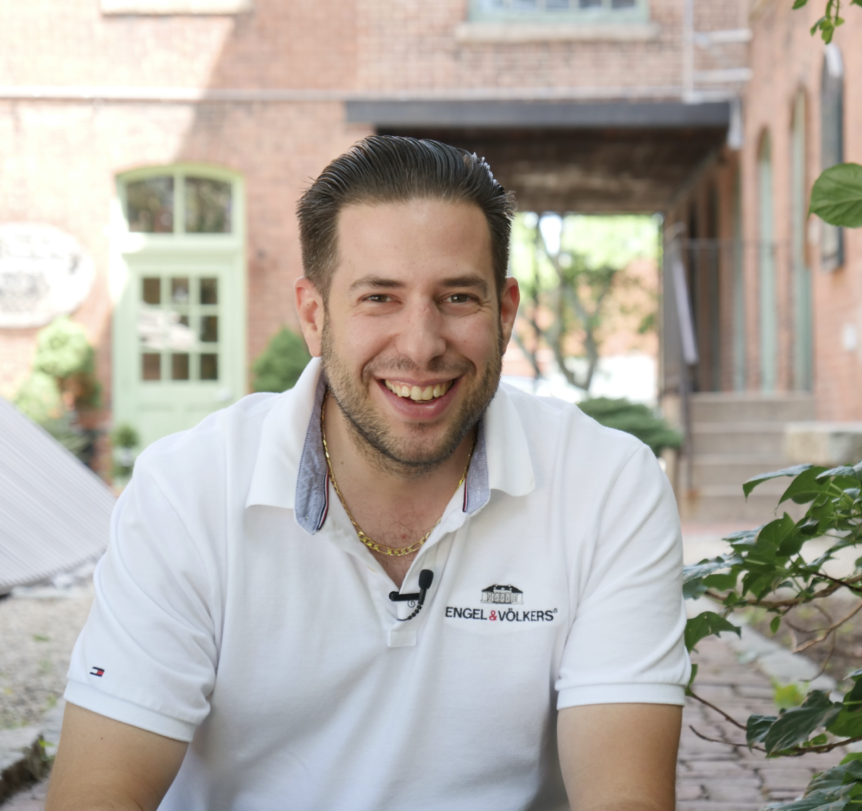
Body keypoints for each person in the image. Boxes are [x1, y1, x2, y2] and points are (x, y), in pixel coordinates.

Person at [47, 136, 689, 811]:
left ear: (505, 314)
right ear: (314, 315)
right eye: (380, 297)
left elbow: (624, 796)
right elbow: (98, 792)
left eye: (458, 297)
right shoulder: (187, 490)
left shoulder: (607, 485)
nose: (421, 345)